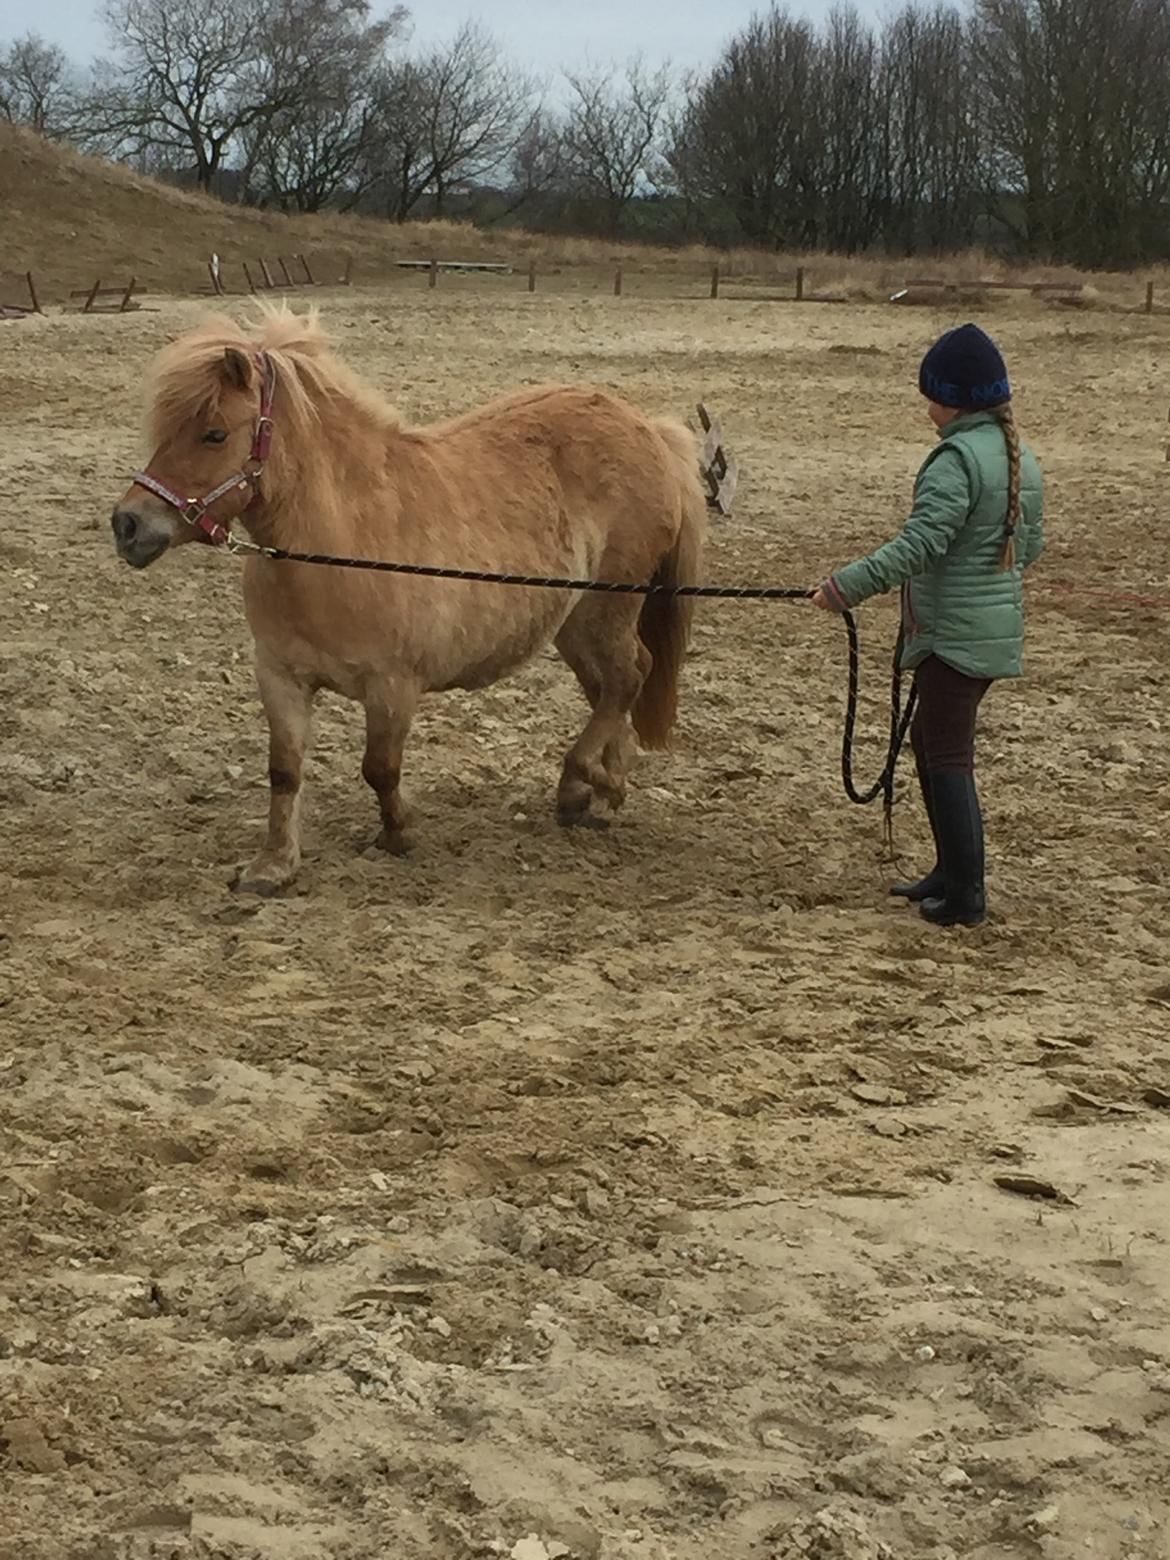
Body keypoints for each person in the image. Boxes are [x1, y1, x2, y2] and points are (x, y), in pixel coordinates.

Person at [812, 323, 1044, 927]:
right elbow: (1030, 545)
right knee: (932, 744)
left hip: (955, 636)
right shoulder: (1016, 455)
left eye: (932, 397)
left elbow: (920, 545)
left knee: (947, 755)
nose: (927, 409)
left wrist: (846, 587)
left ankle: (966, 895)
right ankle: (948, 872)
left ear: (955, 399)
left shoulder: (955, 461)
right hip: (984, 627)